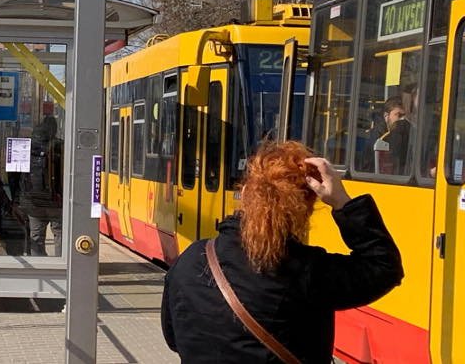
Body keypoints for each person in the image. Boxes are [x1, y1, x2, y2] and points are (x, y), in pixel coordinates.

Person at [161, 141, 403, 363]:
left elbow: (173, 339)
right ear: (306, 210)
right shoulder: (307, 271)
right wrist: (341, 201)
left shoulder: (190, 260)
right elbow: (384, 266)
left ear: (245, 193)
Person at [19, 115, 63, 256]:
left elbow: (17, 175)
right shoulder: (60, 146)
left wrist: (20, 197)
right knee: (60, 234)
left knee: (36, 236)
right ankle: (60, 263)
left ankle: (39, 264)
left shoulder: (27, 147)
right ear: (54, 129)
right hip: (55, 202)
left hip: (33, 202)